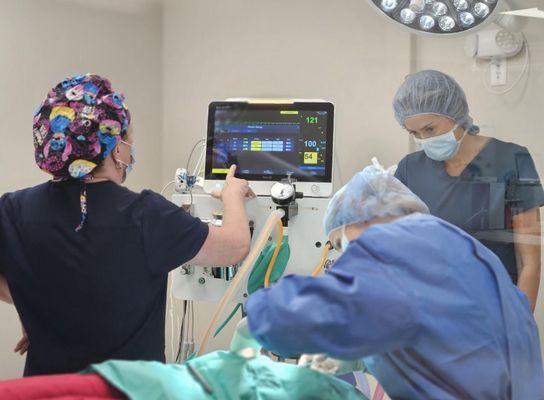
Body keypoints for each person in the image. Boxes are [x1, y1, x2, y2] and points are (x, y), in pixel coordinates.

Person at [0, 74, 253, 376]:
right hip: (129, 390)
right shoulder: (146, 215)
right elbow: (234, 246)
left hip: (48, 392)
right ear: (116, 147)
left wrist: (37, 307)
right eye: (128, 139)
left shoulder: (12, 210)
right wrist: (233, 196)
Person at [243, 160, 544, 399]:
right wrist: (365, 353)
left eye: (337, 243)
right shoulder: (460, 246)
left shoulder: (386, 248)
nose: (341, 255)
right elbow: (427, 325)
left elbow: (294, 318)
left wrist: (256, 310)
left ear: (359, 219)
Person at [393, 70, 543, 311]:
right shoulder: (410, 169)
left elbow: (529, 262)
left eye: (429, 129)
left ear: (455, 113)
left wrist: (518, 328)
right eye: (414, 133)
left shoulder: (513, 160)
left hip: (493, 314)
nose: (423, 139)